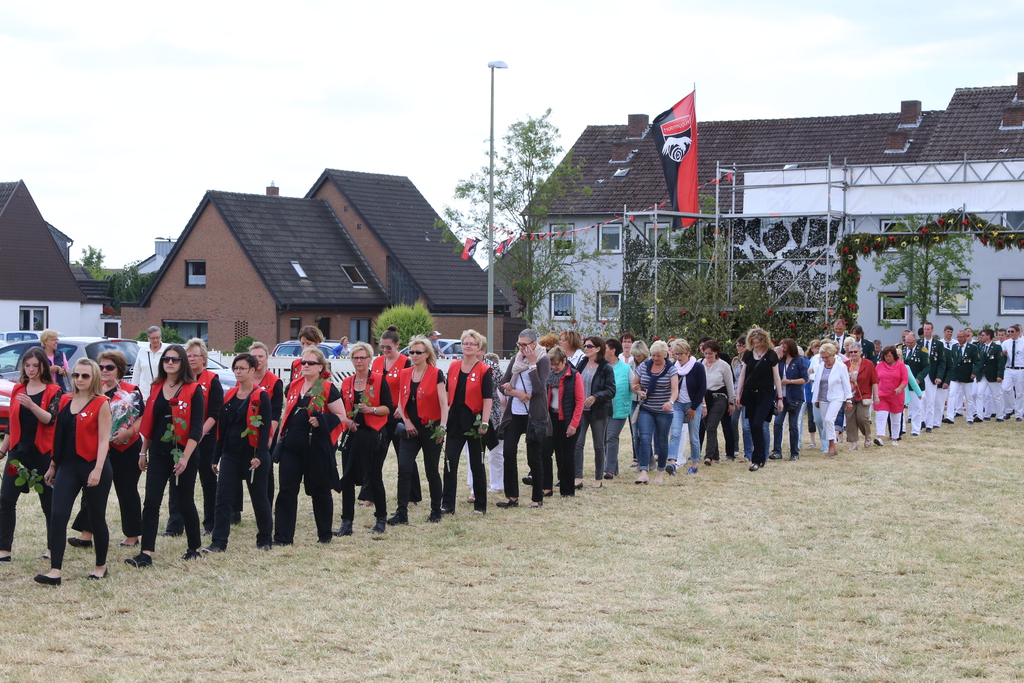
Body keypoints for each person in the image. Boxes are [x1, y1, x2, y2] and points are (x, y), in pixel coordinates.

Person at [126, 344, 205, 568]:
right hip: (158, 453)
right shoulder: (156, 386)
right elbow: (149, 422)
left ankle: (194, 549)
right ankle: (145, 553)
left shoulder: (193, 389)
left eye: (175, 359)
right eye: (166, 359)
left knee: (185, 501)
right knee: (151, 502)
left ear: (182, 362)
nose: (170, 362)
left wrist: (185, 458)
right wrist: (143, 450)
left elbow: (196, 429)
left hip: (183, 453)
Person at [36, 359, 112, 585]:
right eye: (76, 375)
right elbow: (58, 436)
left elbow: (104, 440)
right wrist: (53, 465)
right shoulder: (65, 399)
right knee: (58, 515)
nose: (79, 379)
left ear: (94, 377)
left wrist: (98, 469)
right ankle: (55, 571)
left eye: (85, 375)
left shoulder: (101, 402)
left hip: (93, 465)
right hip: (67, 466)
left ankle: (100, 567)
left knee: (96, 518)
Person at [67, 351, 143, 549]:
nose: (104, 370)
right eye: (101, 367)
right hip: (99, 449)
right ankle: (86, 534)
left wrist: (128, 433)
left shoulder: (131, 390)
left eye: (110, 367)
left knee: (126, 491)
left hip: (126, 449)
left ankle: (132, 535)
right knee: (91, 489)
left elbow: (142, 417)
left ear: (120, 369)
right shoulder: (94, 390)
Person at [204, 353, 273, 553]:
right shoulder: (230, 395)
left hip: (253, 454)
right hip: (230, 454)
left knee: (259, 498)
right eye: (236, 368)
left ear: (252, 370)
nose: (238, 372)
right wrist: (216, 456)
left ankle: (264, 540)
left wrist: (260, 456)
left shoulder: (261, 396)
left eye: (242, 368)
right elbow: (222, 429)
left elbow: (265, 429)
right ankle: (218, 543)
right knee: (223, 499)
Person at [276, 348, 346, 544]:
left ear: (320, 367)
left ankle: (324, 535)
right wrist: (279, 438)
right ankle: (282, 537)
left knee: (320, 491)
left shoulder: (328, 388)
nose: (305, 365)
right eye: (303, 362)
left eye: (310, 363)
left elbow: (341, 416)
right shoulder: (293, 386)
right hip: (292, 447)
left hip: (316, 448)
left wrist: (322, 419)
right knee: (286, 490)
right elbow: (287, 414)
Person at [0, 348, 61, 563]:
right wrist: (3, 450)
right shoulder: (18, 389)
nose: (31, 369)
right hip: (18, 452)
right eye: (27, 365)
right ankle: (4, 550)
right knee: (6, 500)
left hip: (43, 453)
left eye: (36, 365)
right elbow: (11, 425)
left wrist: (32, 406)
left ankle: (52, 549)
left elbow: (51, 420)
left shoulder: (54, 391)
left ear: (44, 366)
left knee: (49, 504)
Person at [165, 339, 223, 537]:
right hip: (181, 439)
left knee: (208, 481)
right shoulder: (177, 381)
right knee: (177, 480)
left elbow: (215, 413)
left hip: (206, 439)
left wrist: (199, 434)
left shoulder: (212, 380)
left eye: (195, 355)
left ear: (204, 359)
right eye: (187, 355)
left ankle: (210, 523)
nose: (191, 359)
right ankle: (175, 525)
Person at [390, 336, 449, 524]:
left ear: (427, 354)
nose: (414, 355)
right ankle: (401, 513)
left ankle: (435, 510)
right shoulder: (405, 373)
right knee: (404, 468)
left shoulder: (436, 373)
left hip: (431, 428)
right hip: (410, 429)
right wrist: (406, 421)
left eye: (418, 352)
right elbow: (401, 401)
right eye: (411, 352)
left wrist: (442, 427)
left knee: (432, 470)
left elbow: (444, 403)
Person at [337, 343, 391, 535]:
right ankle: (346, 523)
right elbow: (341, 409)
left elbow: (388, 408)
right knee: (347, 478)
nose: (359, 361)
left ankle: (381, 519)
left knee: (374, 476)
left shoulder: (379, 380)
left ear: (369, 359)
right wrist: (347, 421)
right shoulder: (347, 382)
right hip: (352, 435)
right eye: (356, 358)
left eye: (362, 357)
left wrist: (371, 410)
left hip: (373, 434)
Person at [440, 330, 492, 515]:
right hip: (455, 418)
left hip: (474, 420)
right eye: (465, 343)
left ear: (479, 348)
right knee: (449, 460)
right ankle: (447, 505)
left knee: (477, 463)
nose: (468, 346)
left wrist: (484, 422)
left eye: (472, 344)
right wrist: (443, 420)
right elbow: (447, 394)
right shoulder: (454, 366)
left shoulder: (484, 370)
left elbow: (487, 398)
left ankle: (480, 505)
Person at [497, 329, 550, 508]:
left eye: (524, 345)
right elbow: (502, 384)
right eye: (519, 344)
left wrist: (533, 364)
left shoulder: (543, 360)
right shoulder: (516, 359)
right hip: (515, 413)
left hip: (533, 415)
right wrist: (516, 393)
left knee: (534, 457)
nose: (521, 348)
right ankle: (511, 496)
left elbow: (539, 389)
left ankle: (537, 498)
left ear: (534, 344)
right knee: (508, 453)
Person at [368, 325, 419, 508]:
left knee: (404, 455)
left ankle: (412, 495)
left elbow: (408, 387)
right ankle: (369, 494)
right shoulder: (377, 362)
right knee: (375, 454)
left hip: (398, 415)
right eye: (382, 346)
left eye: (388, 347)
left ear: (397, 345)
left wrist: (401, 406)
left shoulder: (406, 362)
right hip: (380, 413)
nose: (385, 350)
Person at [735, 328, 783, 472]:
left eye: (758, 342)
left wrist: (780, 398)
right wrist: (738, 394)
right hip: (750, 393)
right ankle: (760, 457)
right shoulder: (748, 354)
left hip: (766, 394)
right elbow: (743, 375)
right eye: (753, 342)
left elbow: (777, 378)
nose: (756, 345)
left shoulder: (771, 354)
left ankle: (757, 459)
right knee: (752, 426)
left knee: (758, 424)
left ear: (764, 341)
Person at [630, 341, 678, 484]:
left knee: (662, 441)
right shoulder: (644, 366)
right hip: (647, 408)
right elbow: (634, 384)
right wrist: (639, 391)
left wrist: (670, 402)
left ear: (665, 355)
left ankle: (660, 473)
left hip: (664, 411)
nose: (655, 358)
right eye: (653, 355)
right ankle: (643, 472)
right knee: (644, 438)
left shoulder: (671, 369)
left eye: (658, 356)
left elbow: (675, 390)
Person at [572, 336, 616, 489]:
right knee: (578, 443)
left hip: (598, 411)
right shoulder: (582, 363)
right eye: (585, 346)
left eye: (589, 346)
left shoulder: (606, 367)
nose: (586, 348)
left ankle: (598, 479)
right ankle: (577, 477)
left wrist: (596, 396)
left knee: (599, 445)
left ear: (598, 348)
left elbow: (611, 390)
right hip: (581, 411)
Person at [542, 346, 584, 498]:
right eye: (552, 364)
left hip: (567, 420)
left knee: (566, 456)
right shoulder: (548, 376)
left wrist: (573, 424)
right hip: (551, 420)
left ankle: (567, 491)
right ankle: (546, 488)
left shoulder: (574, 375)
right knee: (545, 453)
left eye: (557, 364)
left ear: (564, 361)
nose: (554, 367)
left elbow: (580, 402)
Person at [248, 341, 284, 518]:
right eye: (254, 357)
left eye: (260, 356)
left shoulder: (275, 381)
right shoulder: (244, 378)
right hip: (247, 431)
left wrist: (270, 435)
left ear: (267, 358)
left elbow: (276, 411)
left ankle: (267, 509)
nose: (257, 360)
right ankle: (235, 511)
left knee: (266, 469)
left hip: (266, 430)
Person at [668, 339, 706, 475]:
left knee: (694, 436)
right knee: (675, 433)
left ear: (688, 353)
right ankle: (672, 463)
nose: (678, 357)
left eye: (680, 354)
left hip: (693, 404)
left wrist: (694, 408)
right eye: (676, 354)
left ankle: (694, 464)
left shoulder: (697, 367)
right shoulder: (673, 367)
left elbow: (702, 388)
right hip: (678, 404)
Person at [811, 342, 852, 457]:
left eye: (827, 357)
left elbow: (846, 384)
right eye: (822, 357)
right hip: (822, 398)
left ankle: (831, 445)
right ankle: (832, 445)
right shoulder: (820, 367)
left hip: (836, 397)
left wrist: (848, 400)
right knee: (826, 422)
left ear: (833, 354)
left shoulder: (841, 367)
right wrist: (816, 399)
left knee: (829, 419)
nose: (825, 360)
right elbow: (817, 384)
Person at [772, 338, 807, 461]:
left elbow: (805, 379)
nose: (782, 349)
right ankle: (777, 451)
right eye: (781, 346)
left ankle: (794, 452)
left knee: (793, 425)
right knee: (777, 423)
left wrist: (790, 381)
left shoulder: (800, 361)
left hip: (795, 396)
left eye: (785, 347)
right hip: (781, 397)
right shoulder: (779, 361)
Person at [700, 340, 734, 466]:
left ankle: (708, 456)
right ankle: (715, 455)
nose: (708, 356)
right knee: (708, 425)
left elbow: (729, 384)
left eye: (710, 353)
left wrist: (731, 402)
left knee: (712, 426)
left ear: (716, 353)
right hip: (704, 398)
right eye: (706, 353)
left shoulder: (723, 365)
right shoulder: (700, 363)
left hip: (719, 397)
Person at [603, 338, 632, 479]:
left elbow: (633, 385)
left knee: (611, 436)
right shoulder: (602, 367)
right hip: (604, 409)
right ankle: (613, 467)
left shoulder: (626, 369)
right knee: (605, 438)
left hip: (619, 408)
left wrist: (639, 390)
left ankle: (608, 470)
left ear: (613, 351)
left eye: (605, 348)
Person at [843, 338, 878, 450]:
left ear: (860, 352)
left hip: (864, 395)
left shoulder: (868, 364)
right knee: (850, 419)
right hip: (849, 396)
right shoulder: (845, 365)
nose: (853, 354)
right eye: (851, 352)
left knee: (862, 417)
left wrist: (876, 396)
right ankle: (853, 442)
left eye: (855, 351)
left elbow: (874, 381)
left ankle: (867, 435)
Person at [873, 346, 908, 447]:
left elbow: (905, 380)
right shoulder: (880, 365)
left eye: (889, 356)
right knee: (881, 416)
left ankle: (895, 438)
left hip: (896, 396)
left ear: (894, 356)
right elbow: (875, 379)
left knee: (896, 418)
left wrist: (900, 388)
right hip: (882, 395)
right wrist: (875, 394)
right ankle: (880, 437)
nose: (887, 358)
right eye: (885, 356)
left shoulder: (901, 366)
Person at [946, 329, 982, 424]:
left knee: (969, 397)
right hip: (955, 375)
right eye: (958, 337)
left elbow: (977, 361)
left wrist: (974, 372)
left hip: (967, 376)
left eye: (961, 337)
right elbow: (952, 360)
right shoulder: (955, 347)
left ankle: (970, 417)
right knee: (952, 395)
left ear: (966, 337)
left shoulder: (972, 348)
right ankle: (950, 416)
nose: (959, 339)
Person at [918, 323, 948, 433]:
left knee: (931, 400)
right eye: (925, 329)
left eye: (928, 329)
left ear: (932, 330)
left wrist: (939, 376)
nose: (926, 331)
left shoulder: (938, 344)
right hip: (921, 375)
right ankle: (921, 420)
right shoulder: (919, 343)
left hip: (932, 375)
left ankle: (930, 424)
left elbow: (942, 362)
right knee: (921, 399)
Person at [730, 335, 753, 461]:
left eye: (741, 345)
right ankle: (735, 448)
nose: (738, 348)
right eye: (737, 345)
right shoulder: (735, 360)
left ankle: (748, 452)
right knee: (733, 421)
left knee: (746, 426)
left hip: (747, 396)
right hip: (735, 394)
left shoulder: (751, 360)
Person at [976, 328, 1006, 421]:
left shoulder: (997, 347)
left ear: (988, 336)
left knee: (996, 396)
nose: (981, 337)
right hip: (982, 374)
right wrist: (977, 374)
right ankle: (979, 416)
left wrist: (1000, 375)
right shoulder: (981, 347)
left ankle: (1000, 416)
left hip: (993, 375)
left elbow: (1000, 362)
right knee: (979, 394)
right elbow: (979, 362)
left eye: (983, 335)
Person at [132, 326, 167, 401]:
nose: (155, 340)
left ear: (161, 337)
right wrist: (132, 389)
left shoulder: (167, 350)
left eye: (157, 337)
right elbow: (137, 371)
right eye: (153, 338)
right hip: (145, 393)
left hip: (162, 391)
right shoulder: (142, 351)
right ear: (148, 339)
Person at [805, 339, 825, 452]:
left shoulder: (836, 359)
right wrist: (816, 374)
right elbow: (810, 375)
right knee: (817, 419)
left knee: (827, 419)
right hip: (815, 391)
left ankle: (827, 443)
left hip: (829, 392)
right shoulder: (815, 359)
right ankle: (823, 439)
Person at [1002, 324, 1024, 420]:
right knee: (1005, 389)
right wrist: (1003, 354)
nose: (1010, 333)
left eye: (1012, 331)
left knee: (1019, 392)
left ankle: (1019, 414)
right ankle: (1009, 409)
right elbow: (1000, 356)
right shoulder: (1006, 343)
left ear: (1018, 332)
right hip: (1009, 368)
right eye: (1009, 331)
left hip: (1020, 369)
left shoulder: (1023, 343)